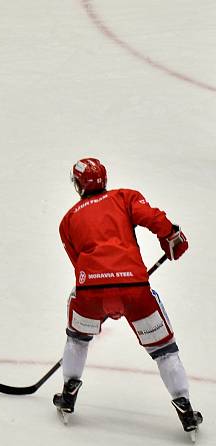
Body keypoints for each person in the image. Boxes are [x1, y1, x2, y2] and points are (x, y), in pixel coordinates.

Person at [55, 158, 202, 439]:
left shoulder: (68, 220)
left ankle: (69, 392)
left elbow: (78, 265)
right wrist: (172, 236)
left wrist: (101, 290)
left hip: (90, 293)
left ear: (78, 184)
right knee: (164, 351)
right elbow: (155, 220)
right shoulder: (125, 197)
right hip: (134, 289)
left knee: (76, 338)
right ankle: (184, 407)